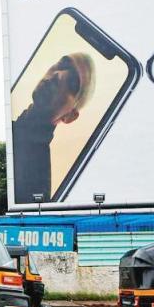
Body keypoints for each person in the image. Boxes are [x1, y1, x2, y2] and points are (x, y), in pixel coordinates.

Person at [11, 52, 95, 204]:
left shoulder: (36, 183)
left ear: (70, 117)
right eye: (63, 64)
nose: (59, 75)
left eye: (73, 83)